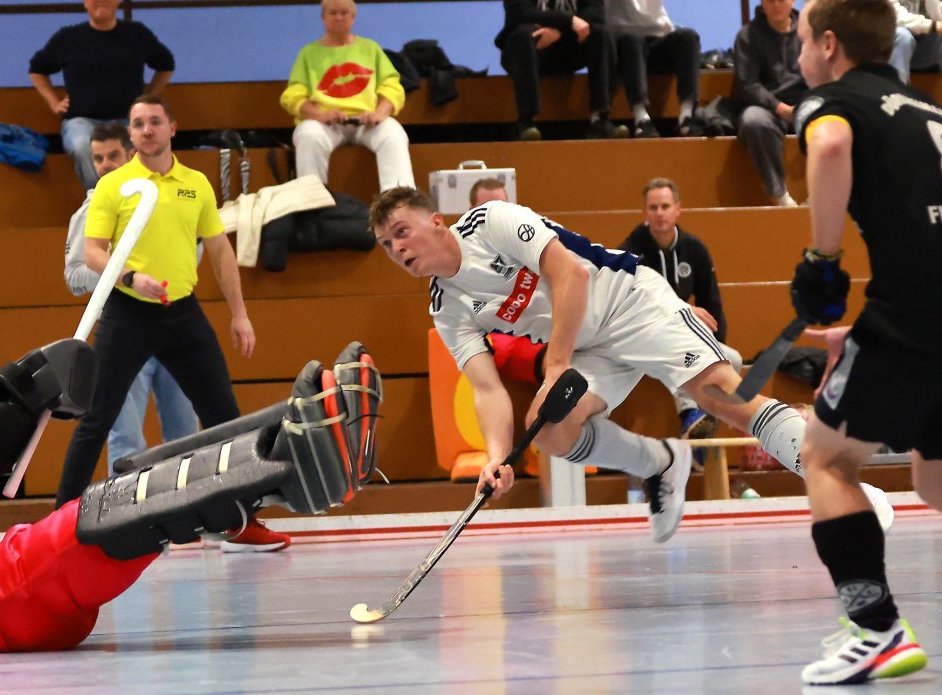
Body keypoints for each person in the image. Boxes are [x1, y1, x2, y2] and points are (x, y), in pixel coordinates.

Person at [0, 340, 381, 654]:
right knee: (122, 507)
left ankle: (286, 429)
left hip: (29, 627)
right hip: (2, 586)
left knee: (141, 487)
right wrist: (25, 395)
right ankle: (299, 469)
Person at [368, 188, 893, 545]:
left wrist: (554, 365)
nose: (397, 248)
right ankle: (661, 463)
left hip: (629, 300)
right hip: (587, 348)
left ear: (434, 221)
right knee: (547, 432)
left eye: (401, 232)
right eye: (387, 244)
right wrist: (497, 458)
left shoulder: (493, 223)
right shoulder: (446, 307)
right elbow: (486, 388)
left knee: (721, 396)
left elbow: (570, 274)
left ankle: (846, 487)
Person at [57, 94, 289, 552]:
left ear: (172, 128)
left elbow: (220, 251)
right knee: (96, 420)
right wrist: (130, 277)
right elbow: (92, 252)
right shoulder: (115, 186)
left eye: (154, 122)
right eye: (138, 123)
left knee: (226, 420)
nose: (146, 130)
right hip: (129, 316)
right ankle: (59, 528)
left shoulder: (196, 183)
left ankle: (240, 523)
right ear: (131, 133)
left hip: (183, 314)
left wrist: (239, 313)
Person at [789, 0, 939, 683]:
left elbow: (829, 146)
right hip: (924, 306)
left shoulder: (830, 100)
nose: (796, 59)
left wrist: (824, 261)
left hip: (916, 311)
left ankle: (875, 628)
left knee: (825, 456)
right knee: (935, 477)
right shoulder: (927, 107)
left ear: (828, 44)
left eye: (799, 44)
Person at [64, 122, 199, 474]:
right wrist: (124, 274)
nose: (105, 165)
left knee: (187, 434)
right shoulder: (91, 210)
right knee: (125, 439)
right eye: (98, 158)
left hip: (173, 326)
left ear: (132, 155)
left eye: (113, 156)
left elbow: (194, 259)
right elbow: (74, 277)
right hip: (123, 329)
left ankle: (188, 514)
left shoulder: (170, 198)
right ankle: (124, 523)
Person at [618, 177, 732, 443]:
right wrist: (682, 311)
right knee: (674, 355)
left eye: (665, 206)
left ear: (678, 209)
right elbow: (629, 308)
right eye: (654, 207)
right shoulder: (629, 253)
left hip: (685, 335)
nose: (660, 213)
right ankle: (690, 413)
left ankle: (706, 426)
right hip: (641, 337)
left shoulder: (695, 249)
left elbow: (711, 302)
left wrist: (719, 348)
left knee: (732, 360)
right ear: (645, 212)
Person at [28, 0, 175, 190]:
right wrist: (53, 102)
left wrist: (147, 100)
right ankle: (100, 200)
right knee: (82, 146)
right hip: (81, 120)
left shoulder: (136, 34)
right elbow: (37, 69)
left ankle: (138, 202)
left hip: (127, 121)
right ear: (85, 3)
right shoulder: (68, 38)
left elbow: (166, 64)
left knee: (146, 141)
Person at [279, 0, 415, 192]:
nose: (339, 17)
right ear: (323, 17)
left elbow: (392, 86)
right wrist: (320, 115)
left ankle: (399, 201)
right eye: (333, 13)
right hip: (326, 124)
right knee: (308, 134)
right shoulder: (308, 53)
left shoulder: (371, 48)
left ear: (353, 17)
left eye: (344, 13)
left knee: (393, 133)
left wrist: (379, 113)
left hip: (366, 123)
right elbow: (293, 95)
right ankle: (311, 203)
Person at [497, 0, 628, 140]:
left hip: (567, 45)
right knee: (523, 34)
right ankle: (526, 122)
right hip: (532, 46)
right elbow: (519, 13)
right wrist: (569, 20)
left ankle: (600, 119)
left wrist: (559, 31)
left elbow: (596, 12)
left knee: (602, 33)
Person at [733, 0, 807, 207]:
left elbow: (823, 74)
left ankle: (825, 193)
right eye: (769, 0)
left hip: (806, 103)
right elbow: (748, 84)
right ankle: (780, 194)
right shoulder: (747, 35)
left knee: (839, 117)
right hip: (769, 107)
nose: (776, 5)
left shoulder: (809, 31)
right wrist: (780, 108)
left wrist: (806, 105)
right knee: (752, 121)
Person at [608, 1, 703, 138]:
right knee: (631, 41)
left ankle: (686, 117)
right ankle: (641, 118)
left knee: (689, 37)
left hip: (657, 39)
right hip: (624, 44)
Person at [888, 0, 942, 83]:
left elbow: (938, 15)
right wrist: (935, 26)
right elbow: (893, 16)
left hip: (926, 46)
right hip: (888, 46)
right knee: (902, 35)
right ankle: (896, 91)